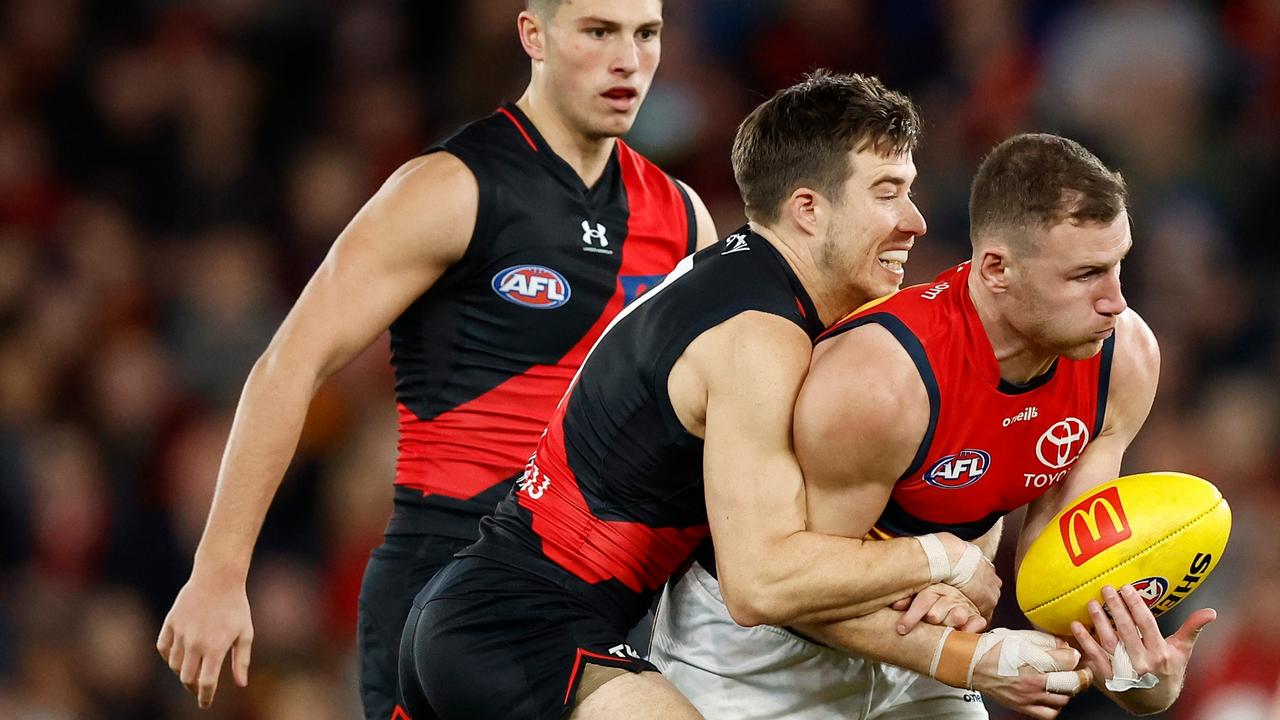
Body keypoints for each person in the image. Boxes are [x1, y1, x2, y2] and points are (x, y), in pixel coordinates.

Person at [395, 71, 1075, 720]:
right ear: (808, 209)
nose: (916, 222)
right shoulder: (761, 338)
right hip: (519, 630)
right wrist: (946, 560)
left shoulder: (749, 281)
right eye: (888, 192)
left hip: (487, 616)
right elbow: (761, 585)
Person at [155, 1, 718, 718]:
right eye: (598, 32)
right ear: (533, 35)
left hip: (605, 596)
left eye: (647, 35)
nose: (628, 60)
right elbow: (288, 364)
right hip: (450, 577)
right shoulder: (450, 188)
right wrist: (218, 572)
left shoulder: (681, 219)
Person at [650, 133, 1217, 719]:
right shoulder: (884, 380)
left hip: (919, 639)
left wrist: (1138, 678)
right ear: (996, 269)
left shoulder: (1124, 359)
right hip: (763, 654)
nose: (1116, 301)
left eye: (1118, 263)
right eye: (1085, 275)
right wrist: (964, 647)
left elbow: (1059, 586)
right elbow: (789, 591)